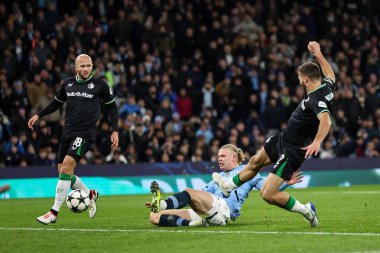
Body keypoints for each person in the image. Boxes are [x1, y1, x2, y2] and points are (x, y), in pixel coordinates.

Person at [212, 41, 336, 227]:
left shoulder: (315, 98)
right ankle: (228, 186)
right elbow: (330, 74)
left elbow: (326, 120)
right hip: (282, 139)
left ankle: (307, 210)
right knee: (254, 162)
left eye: (299, 78)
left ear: (306, 80)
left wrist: (318, 141)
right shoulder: (326, 87)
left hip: (292, 150)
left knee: (268, 194)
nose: (299, 81)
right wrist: (318, 53)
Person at [28, 54, 119, 224]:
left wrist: (115, 131)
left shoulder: (100, 86)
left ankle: (53, 213)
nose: (86, 69)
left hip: (85, 133)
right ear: (75, 68)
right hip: (67, 132)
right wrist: (39, 115)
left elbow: (112, 108)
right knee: (64, 174)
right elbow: (56, 102)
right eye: (82, 66)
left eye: (89, 66)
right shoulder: (68, 84)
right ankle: (90, 194)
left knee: (66, 168)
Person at [145, 144, 303, 227]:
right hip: (208, 209)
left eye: (223, 156)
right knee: (154, 217)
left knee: (188, 191)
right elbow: (201, 193)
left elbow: (267, 189)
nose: (219, 159)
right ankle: (192, 223)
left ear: (234, 157)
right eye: (218, 156)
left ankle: (161, 203)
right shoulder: (218, 177)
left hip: (223, 210)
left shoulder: (248, 172)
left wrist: (285, 183)